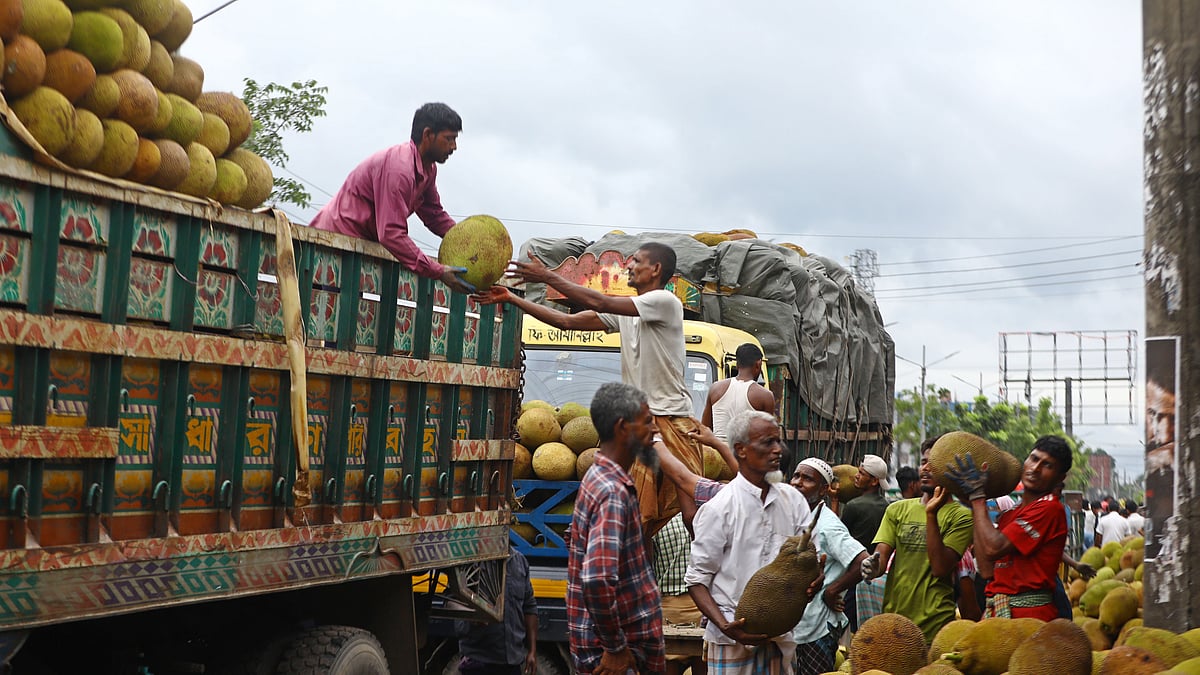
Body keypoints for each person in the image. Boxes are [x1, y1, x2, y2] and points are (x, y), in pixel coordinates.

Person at [477, 243, 706, 538]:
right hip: (640, 425)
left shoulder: (664, 301)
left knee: (689, 512)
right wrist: (511, 298)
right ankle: (637, 579)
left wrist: (547, 276)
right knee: (637, 520)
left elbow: (599, 302)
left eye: (636, 261)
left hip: (673, 421)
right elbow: (567, 322)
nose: (629, 266)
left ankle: (703, 577)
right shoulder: (628, 313)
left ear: (656, 270)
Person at [686, 411, 814, 674]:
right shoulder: (719, 509)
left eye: (778, 441)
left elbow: (807, 562)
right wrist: (724, 625)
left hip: (781, 638)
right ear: (741, 450)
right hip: (731, 641)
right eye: (768, 443)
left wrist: (813, 582)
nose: (778, 450)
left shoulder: (794, 501)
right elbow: (697, 581)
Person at [310, 102, 474, 294]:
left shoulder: (428, 169)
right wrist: (437, 270)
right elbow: (390, 233)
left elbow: (434, 215)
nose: (454, 146)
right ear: (428, 135)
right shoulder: (400, 169)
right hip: (333, 242)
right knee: (326, 311)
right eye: (449, 138)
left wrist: (467, 242)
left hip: (360, 248)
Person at [565, 382, 665, 674]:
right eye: (647, 422)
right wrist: (616, 648)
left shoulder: (598, 476)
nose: (655, 430)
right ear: (623, 428)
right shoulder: (612, 492)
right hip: (621, 657)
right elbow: (596, 578)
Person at [944, 435, 1073, 621]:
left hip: (1030, 617)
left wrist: (978, 497)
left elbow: (993, 547)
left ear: (1059, 478)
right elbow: (987, 569)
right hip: (998, 613)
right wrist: (974, 503)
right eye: (1034, 459)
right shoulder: (1009, 513)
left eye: (1047, 465)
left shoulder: (1049, 508)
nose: (1035, 469)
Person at [860, 437, 973, 644]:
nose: (926, 468)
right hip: (895, 623)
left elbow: (940, 567)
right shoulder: (897, 509)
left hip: (935, 626)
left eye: (935, 463)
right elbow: (881, 557)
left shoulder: (961, 516)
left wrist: (931, 514)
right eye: (923, 462)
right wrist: (873, 566)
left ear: (952, 471)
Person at [790, 458, 868, 675]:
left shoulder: (828, 525)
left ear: (824, 489)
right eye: (796, 476)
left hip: (816, 627)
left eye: (807, 479)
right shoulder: (793, 517)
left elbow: (862, 560)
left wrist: (833, 590)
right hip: (793, 627)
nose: (797, 482)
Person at [455, 545, 538, 675]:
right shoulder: (472, 561)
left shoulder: (520, 561)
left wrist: (532, 650)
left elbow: (529, 606)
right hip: (478, 661)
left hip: (512, 662)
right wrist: (473, 616)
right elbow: (451, 600)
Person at [838, 454, 889, 633]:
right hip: (877, 574)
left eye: (861, 473)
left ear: (874, 481)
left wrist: (835, 501)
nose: (856, 476)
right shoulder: (887, 506)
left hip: (854, 571)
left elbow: (840, 537)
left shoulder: (853, 506)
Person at [652, 513, 707, 675]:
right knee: (703, 664)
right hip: (702, 607)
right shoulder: (701, 518)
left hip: (667, 610)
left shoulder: (656, 525)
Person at [703, 342, 776, 441]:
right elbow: (768, 436)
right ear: (758, 364)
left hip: (717, 452)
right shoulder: (764, 395)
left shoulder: (715, 388)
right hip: (746, 454)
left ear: (737, 365)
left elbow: (705, 429)